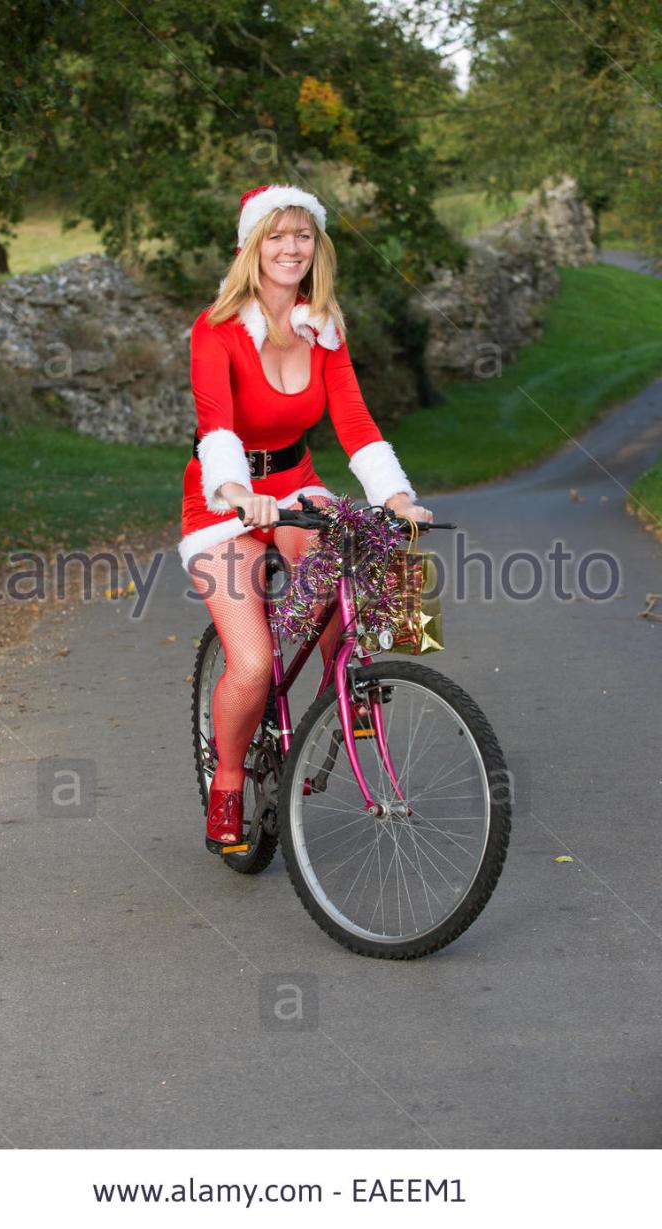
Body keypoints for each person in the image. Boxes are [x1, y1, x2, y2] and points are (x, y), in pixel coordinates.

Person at [178, 183, 434, 852]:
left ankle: (349, 683)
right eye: (276, 234)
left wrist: (396, 496)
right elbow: (216, 424)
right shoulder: (217, 329)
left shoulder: (324, 326)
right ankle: (229, 782)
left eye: (302, 235)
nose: (291, 247)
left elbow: (352, 420)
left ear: (316, 245)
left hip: (295, 484)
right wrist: (237, 489)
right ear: (250, 246)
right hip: (223, 499)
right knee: (255, 661)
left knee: (361, 560)